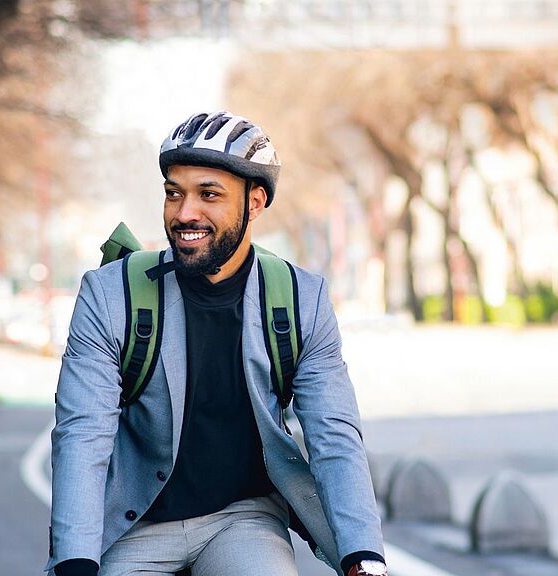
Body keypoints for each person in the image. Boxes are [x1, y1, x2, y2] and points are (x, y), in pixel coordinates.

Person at [45, 111, 388, 576]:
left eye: (209, 194)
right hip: (136, 524)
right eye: (174, 193)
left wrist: (364, 557)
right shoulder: (111, 295)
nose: (185, 213)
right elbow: (83, 436)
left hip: (241, 518)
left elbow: (335, 438)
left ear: (255, 202)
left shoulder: (300, 301)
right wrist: (75, 562)